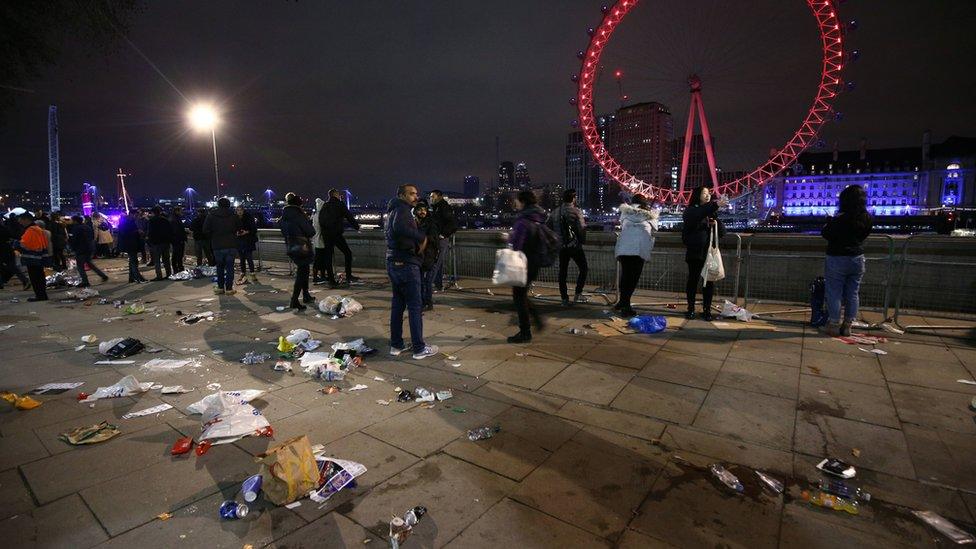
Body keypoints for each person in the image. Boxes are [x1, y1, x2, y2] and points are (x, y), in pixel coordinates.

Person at [385, 184, 438, 359]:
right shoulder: (402, 210)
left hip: (394, 262)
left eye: (416, 194)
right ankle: (419, 349)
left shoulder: (393, 210)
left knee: (398, 305)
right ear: (401, 195)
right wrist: (420, 237)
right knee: (415, 307)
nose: (415, 197)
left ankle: (396, 345)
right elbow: (400, 229)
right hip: (407, 264)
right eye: (411, 194)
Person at [821, 185, 872, 336]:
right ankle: (848, 325)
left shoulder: (841, 218)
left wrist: (829, 221)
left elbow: (827, 234)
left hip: (837, 258)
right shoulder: (867, 218)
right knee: (853, 293)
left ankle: (834, 324)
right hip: (857, 258)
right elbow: (862, 236)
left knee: (834, 293)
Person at [507, 190, 547, 343]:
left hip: (523, 263)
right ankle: (537, 319)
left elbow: (516, 245)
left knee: (518, 297)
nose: (514, 203)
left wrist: (508, 238)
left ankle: (525, 332)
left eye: (516, 200)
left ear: (522, 202)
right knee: (521, 295)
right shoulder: (537, 218)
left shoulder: (523, 221)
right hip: (534, 262)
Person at [682, 186, 727, 321]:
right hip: (695, 252)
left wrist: (716, 223)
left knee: (709, 282)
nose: (707, 195)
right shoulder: (690, 211)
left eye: (709, 193)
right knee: (693, 281)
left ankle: (707, 309)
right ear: (697, 195)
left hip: (709, 253)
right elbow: (696, 215)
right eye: (704, 193)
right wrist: (715, 205)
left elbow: (723, 233)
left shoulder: (710, 213)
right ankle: (691, 308)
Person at [614, 195, 659, 317]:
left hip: (624, 249)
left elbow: (623, 227)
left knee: (625, 277)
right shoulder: (650, 215)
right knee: (633, 279)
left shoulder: (625, 214)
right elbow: (655, 229)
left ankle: (622, 302)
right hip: (639, 250)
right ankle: (626, 306)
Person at [550, 189, 588, 306]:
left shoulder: (555, 212)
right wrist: (582, 241)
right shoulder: (576, 211)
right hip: (574, 246)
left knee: (563, 272)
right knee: (584, 268)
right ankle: (578, 293)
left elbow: (548, 226)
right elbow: (581, 228)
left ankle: (564, 299)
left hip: (562, 247)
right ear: (573, 198)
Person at [279, 193, 316, 310]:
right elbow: (311, 231)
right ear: (298, 205)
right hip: (302, 247)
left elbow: (284, 231)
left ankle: (306, 295)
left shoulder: (283, 216)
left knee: (303, 271)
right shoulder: (299, 215)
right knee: (302, 273)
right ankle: (294, 300)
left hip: (291, 246)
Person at [318, 188, 360, 287]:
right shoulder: (340, 204)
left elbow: (321, 220)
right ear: (336, 195)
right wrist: (357, 227)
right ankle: (348, 275)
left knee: (328, 256)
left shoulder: (325, 205)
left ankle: (331, 281)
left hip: (326, 234)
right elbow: (349, 217)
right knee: (347, 253)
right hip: (336, 234)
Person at [203, 197, 242, 295]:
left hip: (217, 245)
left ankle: (220, 287)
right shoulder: (233, 215)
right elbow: (239, 228)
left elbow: (205, 230)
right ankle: (229, 288)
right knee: (230, 267)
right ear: (229, 205)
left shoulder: (211, 215)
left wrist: (213, 235)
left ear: (218, 204)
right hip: (231, 244)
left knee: (219, 267)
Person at [14, 213, 50, 301]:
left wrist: (16, 244)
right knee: (40, 277)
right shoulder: (38, 229)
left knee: (35, 278)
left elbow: (24, 244)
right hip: (38, 257)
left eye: (21, 220)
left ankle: (40, 296)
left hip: (32, 258)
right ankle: (42, 295)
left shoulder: (30, 230)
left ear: (26, 220)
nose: (20, 222)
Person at [428, 190, 457, 291]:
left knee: (435, 262)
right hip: (438, 238)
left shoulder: (443, 207)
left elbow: (453, 224)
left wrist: (443, 235)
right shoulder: (438, 207)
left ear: (439, 197)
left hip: (440, 239)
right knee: (438, 263)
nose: (431, 198)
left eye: (433, 196)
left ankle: (428, 285)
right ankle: (438, 284)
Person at [68, 215, 109, 287]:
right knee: (89, 263)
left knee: (80, 266)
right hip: (89, 248)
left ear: (75, 221)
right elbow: (92, 236)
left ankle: (85, 281)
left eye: (72, 220)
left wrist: (73, 248)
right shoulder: (87, 227)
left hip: (81, 249)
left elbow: (74, 240)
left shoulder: (76, 229)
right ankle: (102, 275)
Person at [414, 201, 440, 311]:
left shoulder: (430, 223)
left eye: (424, 210)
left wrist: (423, 238)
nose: (422, 212)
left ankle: (427, 303)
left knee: (427, 282)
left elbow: (434, 239)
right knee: (419, 281)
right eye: (420, 210)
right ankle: (422, 302)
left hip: (429, 255)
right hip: (419, 255)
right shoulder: (414, 223)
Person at [117, 213, 147, 283]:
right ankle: (138, 278)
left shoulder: (126, 224)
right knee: (134, 262)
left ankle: (131, 278)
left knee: (132, 262)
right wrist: (137, 232)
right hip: (131, 245)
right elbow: (127, 234)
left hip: (130, 245)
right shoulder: (128, 224)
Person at [0, 219, 29, 290]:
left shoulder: (3, 229)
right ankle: (25, 280)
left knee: (10, 267)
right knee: (12, 267)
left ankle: (25, 280)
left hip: (3, 251)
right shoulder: (4, 228)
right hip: (8, 250)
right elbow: (14, 236)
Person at [146, 206, 172, 280]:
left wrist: (149, 241)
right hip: (165, 242)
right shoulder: (165, 220)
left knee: (157, 260)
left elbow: (150, 232)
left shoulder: (151, 221)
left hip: (156, 243)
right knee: (166, 260)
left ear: (153, 213)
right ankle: (169, 274)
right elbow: (170, 231)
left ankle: (159, 276)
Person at [236, 205, 259, 283]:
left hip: (248, 240)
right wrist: (237, 233)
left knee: (249, 257)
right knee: (241, 258)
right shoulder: (235, 218)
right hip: (239, 240)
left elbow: (254, 229)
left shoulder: (249, 217)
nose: (239, 212)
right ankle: (243, 272)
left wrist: (246, 232)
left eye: (240, 210)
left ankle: (252, 273)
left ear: (243, 210)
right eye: (238, 210)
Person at [312, 196, 327, 284]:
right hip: (320, 241)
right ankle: (318, 276)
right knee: (319, 260)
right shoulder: (320, 216)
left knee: (319, 260)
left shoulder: (315, 216)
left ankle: (320, 276)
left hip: (317, 241)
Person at [169, 206, 188, 273]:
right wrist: (182, 237)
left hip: (176, 240)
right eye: (180, 211)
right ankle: (179, 267)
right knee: (178, 254)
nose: (181, 212)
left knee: (176, 254)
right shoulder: (175, 220)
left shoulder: (174, 218)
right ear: (176, 211)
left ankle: (177, 267)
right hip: (178, 240)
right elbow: (177, 231)